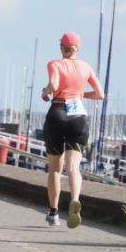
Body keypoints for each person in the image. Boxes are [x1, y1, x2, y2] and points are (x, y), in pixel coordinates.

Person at [40, 32, 104, 228]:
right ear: (78, 48)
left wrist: (46, 91)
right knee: (73, 167)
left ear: (61, 47)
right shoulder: (86, 67)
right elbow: (100, 94)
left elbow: (55, 84)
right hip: (77, 115)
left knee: (55, 170)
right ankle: (75, 198)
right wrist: (79, 93)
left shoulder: (55, 64)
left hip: (58, 112)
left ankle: (53, 213)